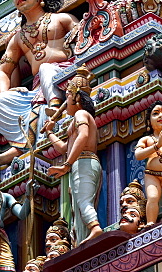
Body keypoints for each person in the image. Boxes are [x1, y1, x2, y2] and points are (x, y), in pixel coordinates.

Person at [0, 0, 78, 164]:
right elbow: (3, 71)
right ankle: (20, 143)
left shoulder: (61, 19)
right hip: (37, 89)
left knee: (46, 68)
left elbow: (83, 40)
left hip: (63, 75)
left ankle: (53, 110)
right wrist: (6, 91)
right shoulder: (17, 39)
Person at [45, 68, 103, 244]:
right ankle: (85, 237)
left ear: (77, 98)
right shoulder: (77, 118)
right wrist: (49, 133)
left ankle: (95, 227)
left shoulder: (80, 114)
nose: (66, 100)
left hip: (83, 162)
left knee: (83, 201)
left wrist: (67, 165)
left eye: (68, 95)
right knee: (79, 204)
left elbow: (83, 135)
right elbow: (64, 148)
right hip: (82, 162)